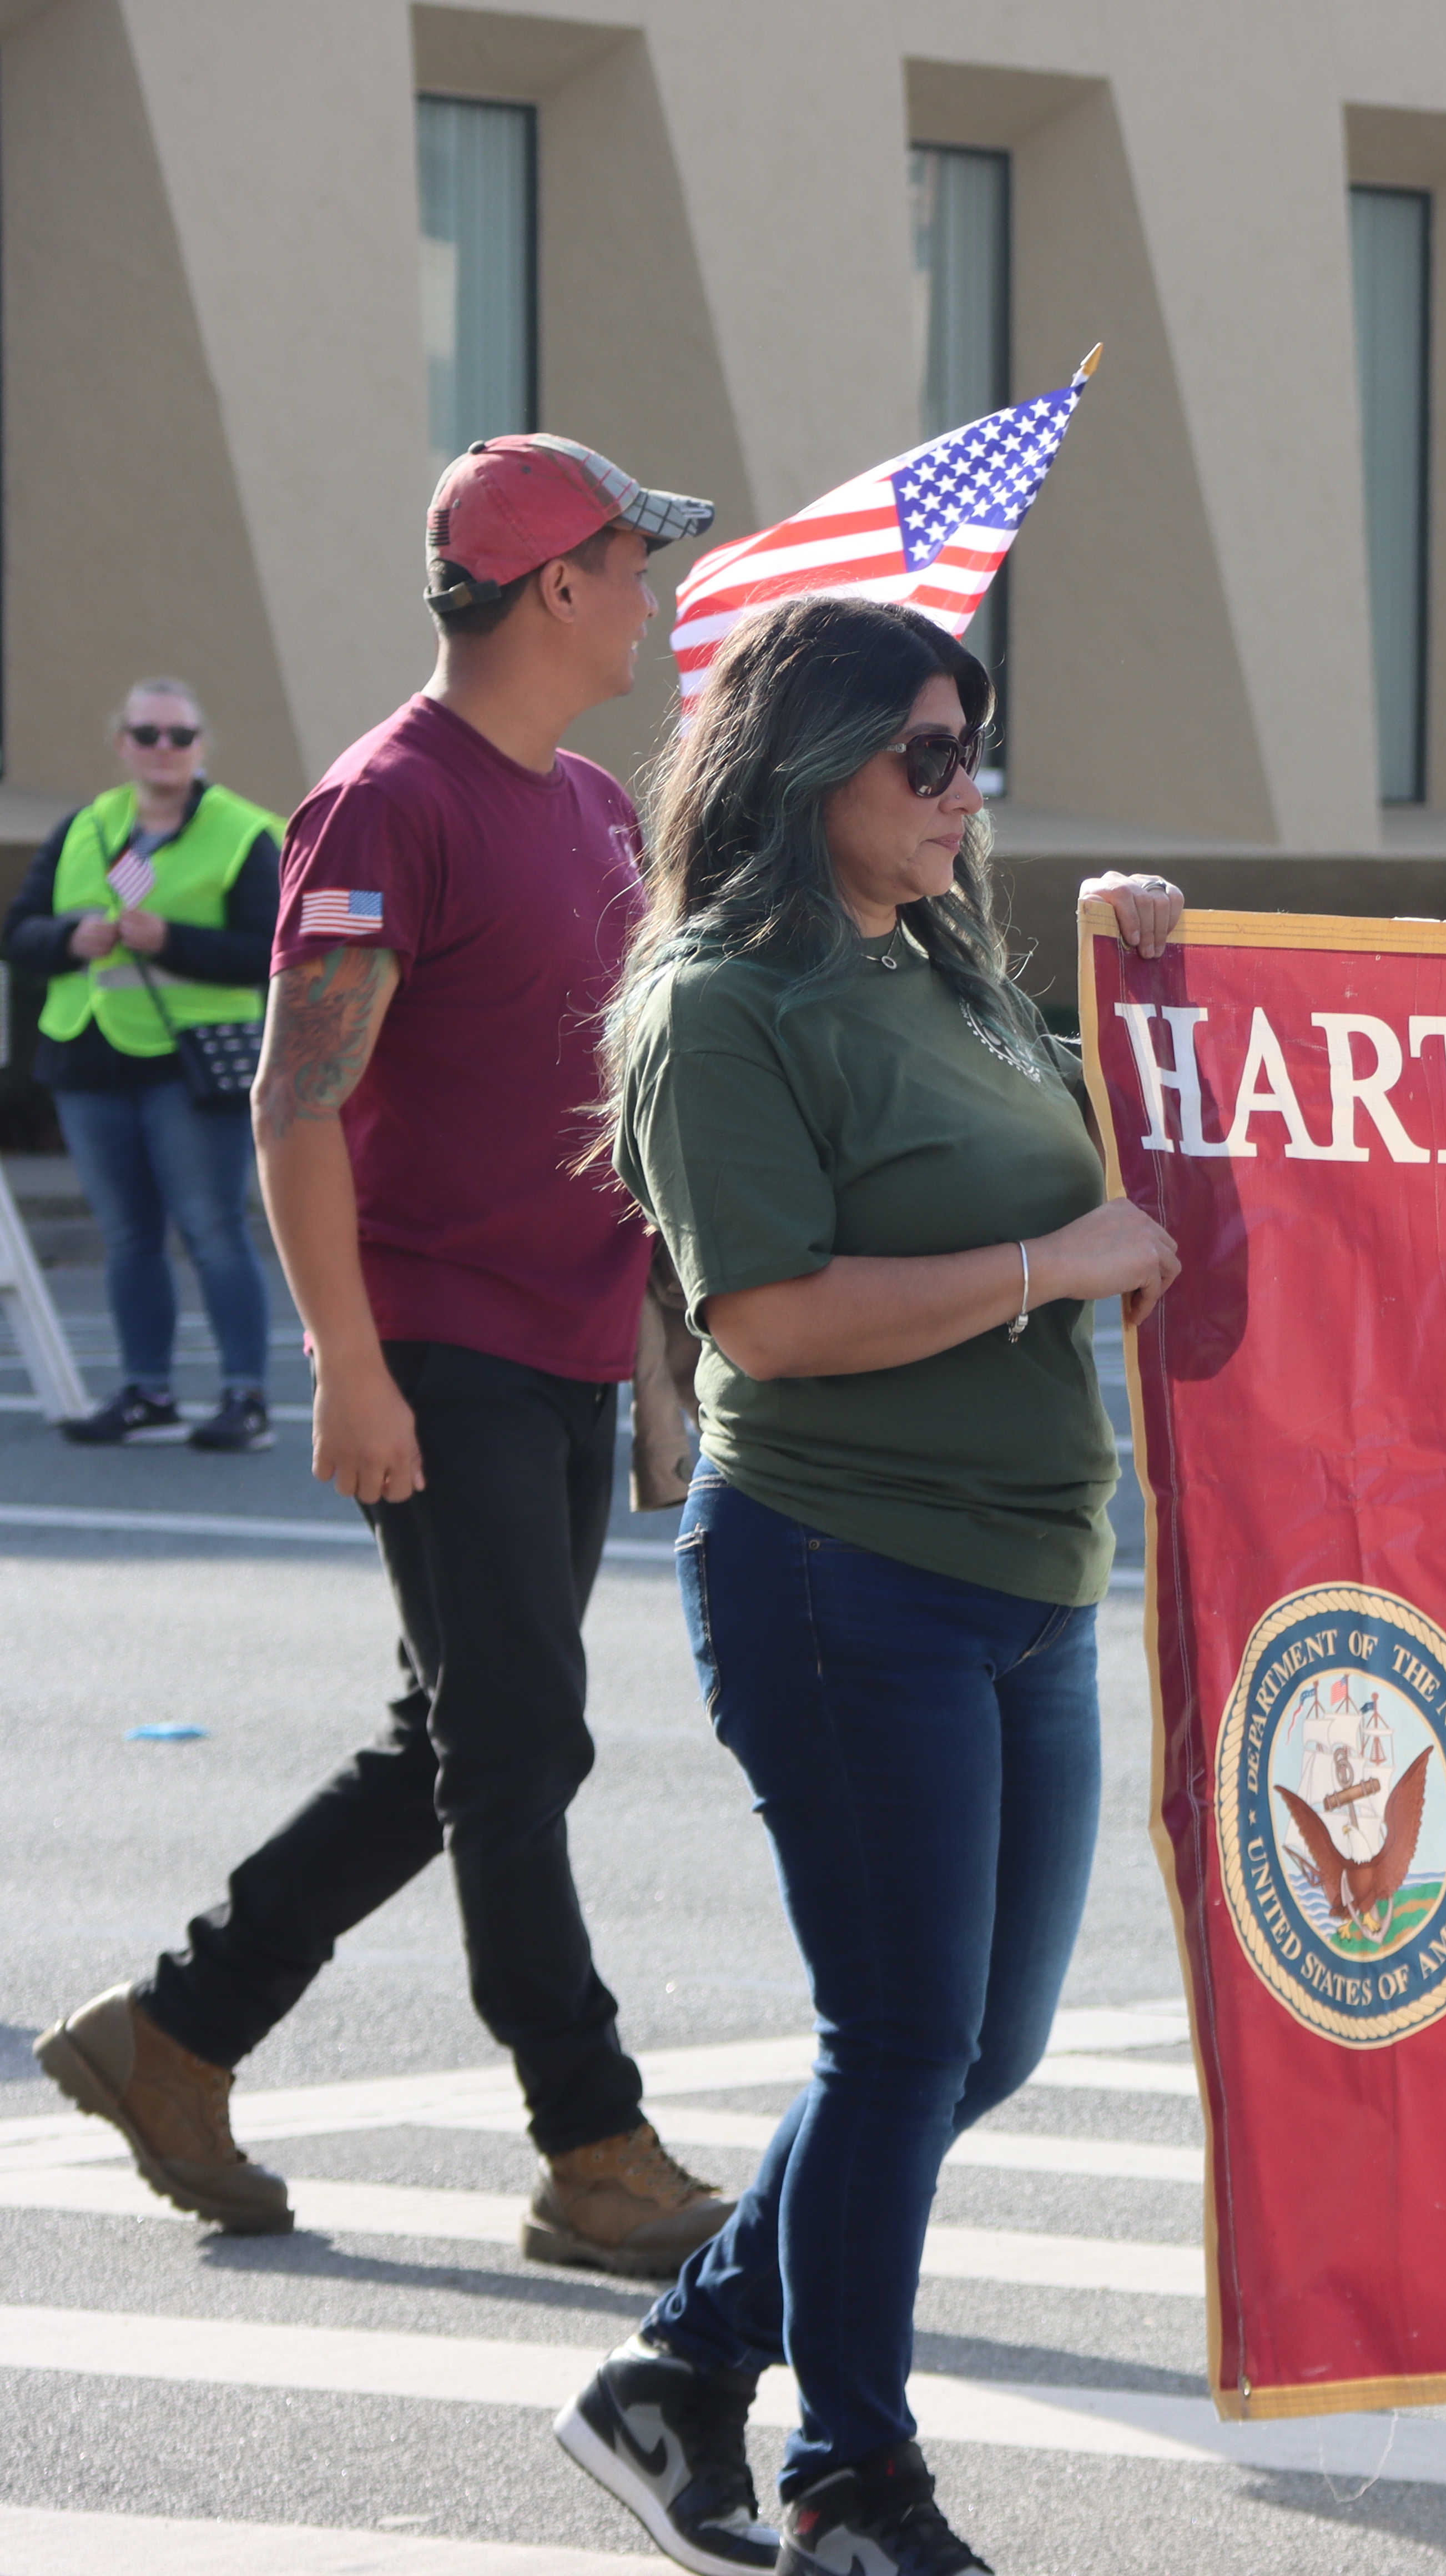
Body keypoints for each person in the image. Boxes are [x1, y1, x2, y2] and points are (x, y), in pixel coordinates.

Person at [33, 437, 737, 2279]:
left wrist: (658, 1330)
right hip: (441, 1348)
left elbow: (595, 1085)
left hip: (568, 1348)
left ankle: (176, 2035)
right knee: (519, 1745)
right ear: (552, 590)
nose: (651, 596)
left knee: (455, 1733)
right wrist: (346, 1366)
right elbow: (295, 1102)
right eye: (630, 563)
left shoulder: (589, 806)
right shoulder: (382, 805)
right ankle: (591, 2142)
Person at [553, 591, 1184, 2576]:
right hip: (841, 1570)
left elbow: (1104, 1173)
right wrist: (1045, 1270)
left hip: (1024, 1569)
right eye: (923, 750)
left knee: (972, 2045)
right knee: (901, 2035)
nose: (960, 784)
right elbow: (771, 1315)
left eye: (971, 743)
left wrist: (1158, 987)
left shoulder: (948, 962)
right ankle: (852, 2473)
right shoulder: (718, 1001)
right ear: (808, 764)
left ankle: (681, 2364)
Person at [2, 680, 281, 1447]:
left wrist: (170, 941)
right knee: (127, 1237)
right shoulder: (85, 830)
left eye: (180, 736)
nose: (164, 749)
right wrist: (68, 941)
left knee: (213, 1230)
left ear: (201, 747)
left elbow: (271, 952)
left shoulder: (241, 833)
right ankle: (146, 1393)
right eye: (148, 734)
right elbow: (18, 934)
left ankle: (246, 1398)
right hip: (91, 1062)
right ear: (122, 743)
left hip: (190, 1067)